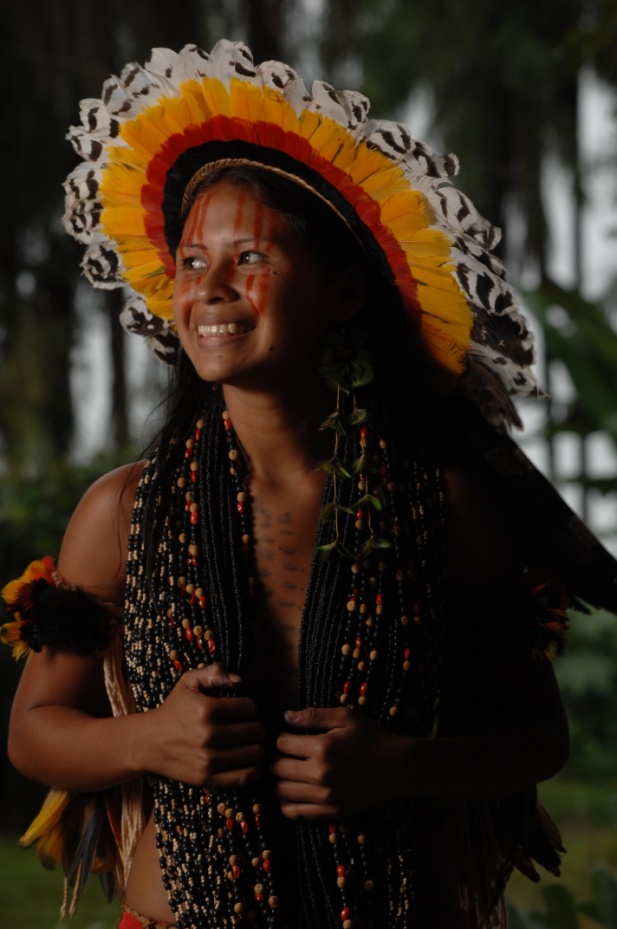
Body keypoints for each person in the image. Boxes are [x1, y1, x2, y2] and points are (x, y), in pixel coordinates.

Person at [3, 39, 617, 929]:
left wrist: (399, 764)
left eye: (249, 257)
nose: (210, 287)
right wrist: (151, 738)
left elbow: (533, 737)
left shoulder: (442, 502)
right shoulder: (123, 510)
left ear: (344, 293)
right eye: (190, 261)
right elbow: (34, 730)